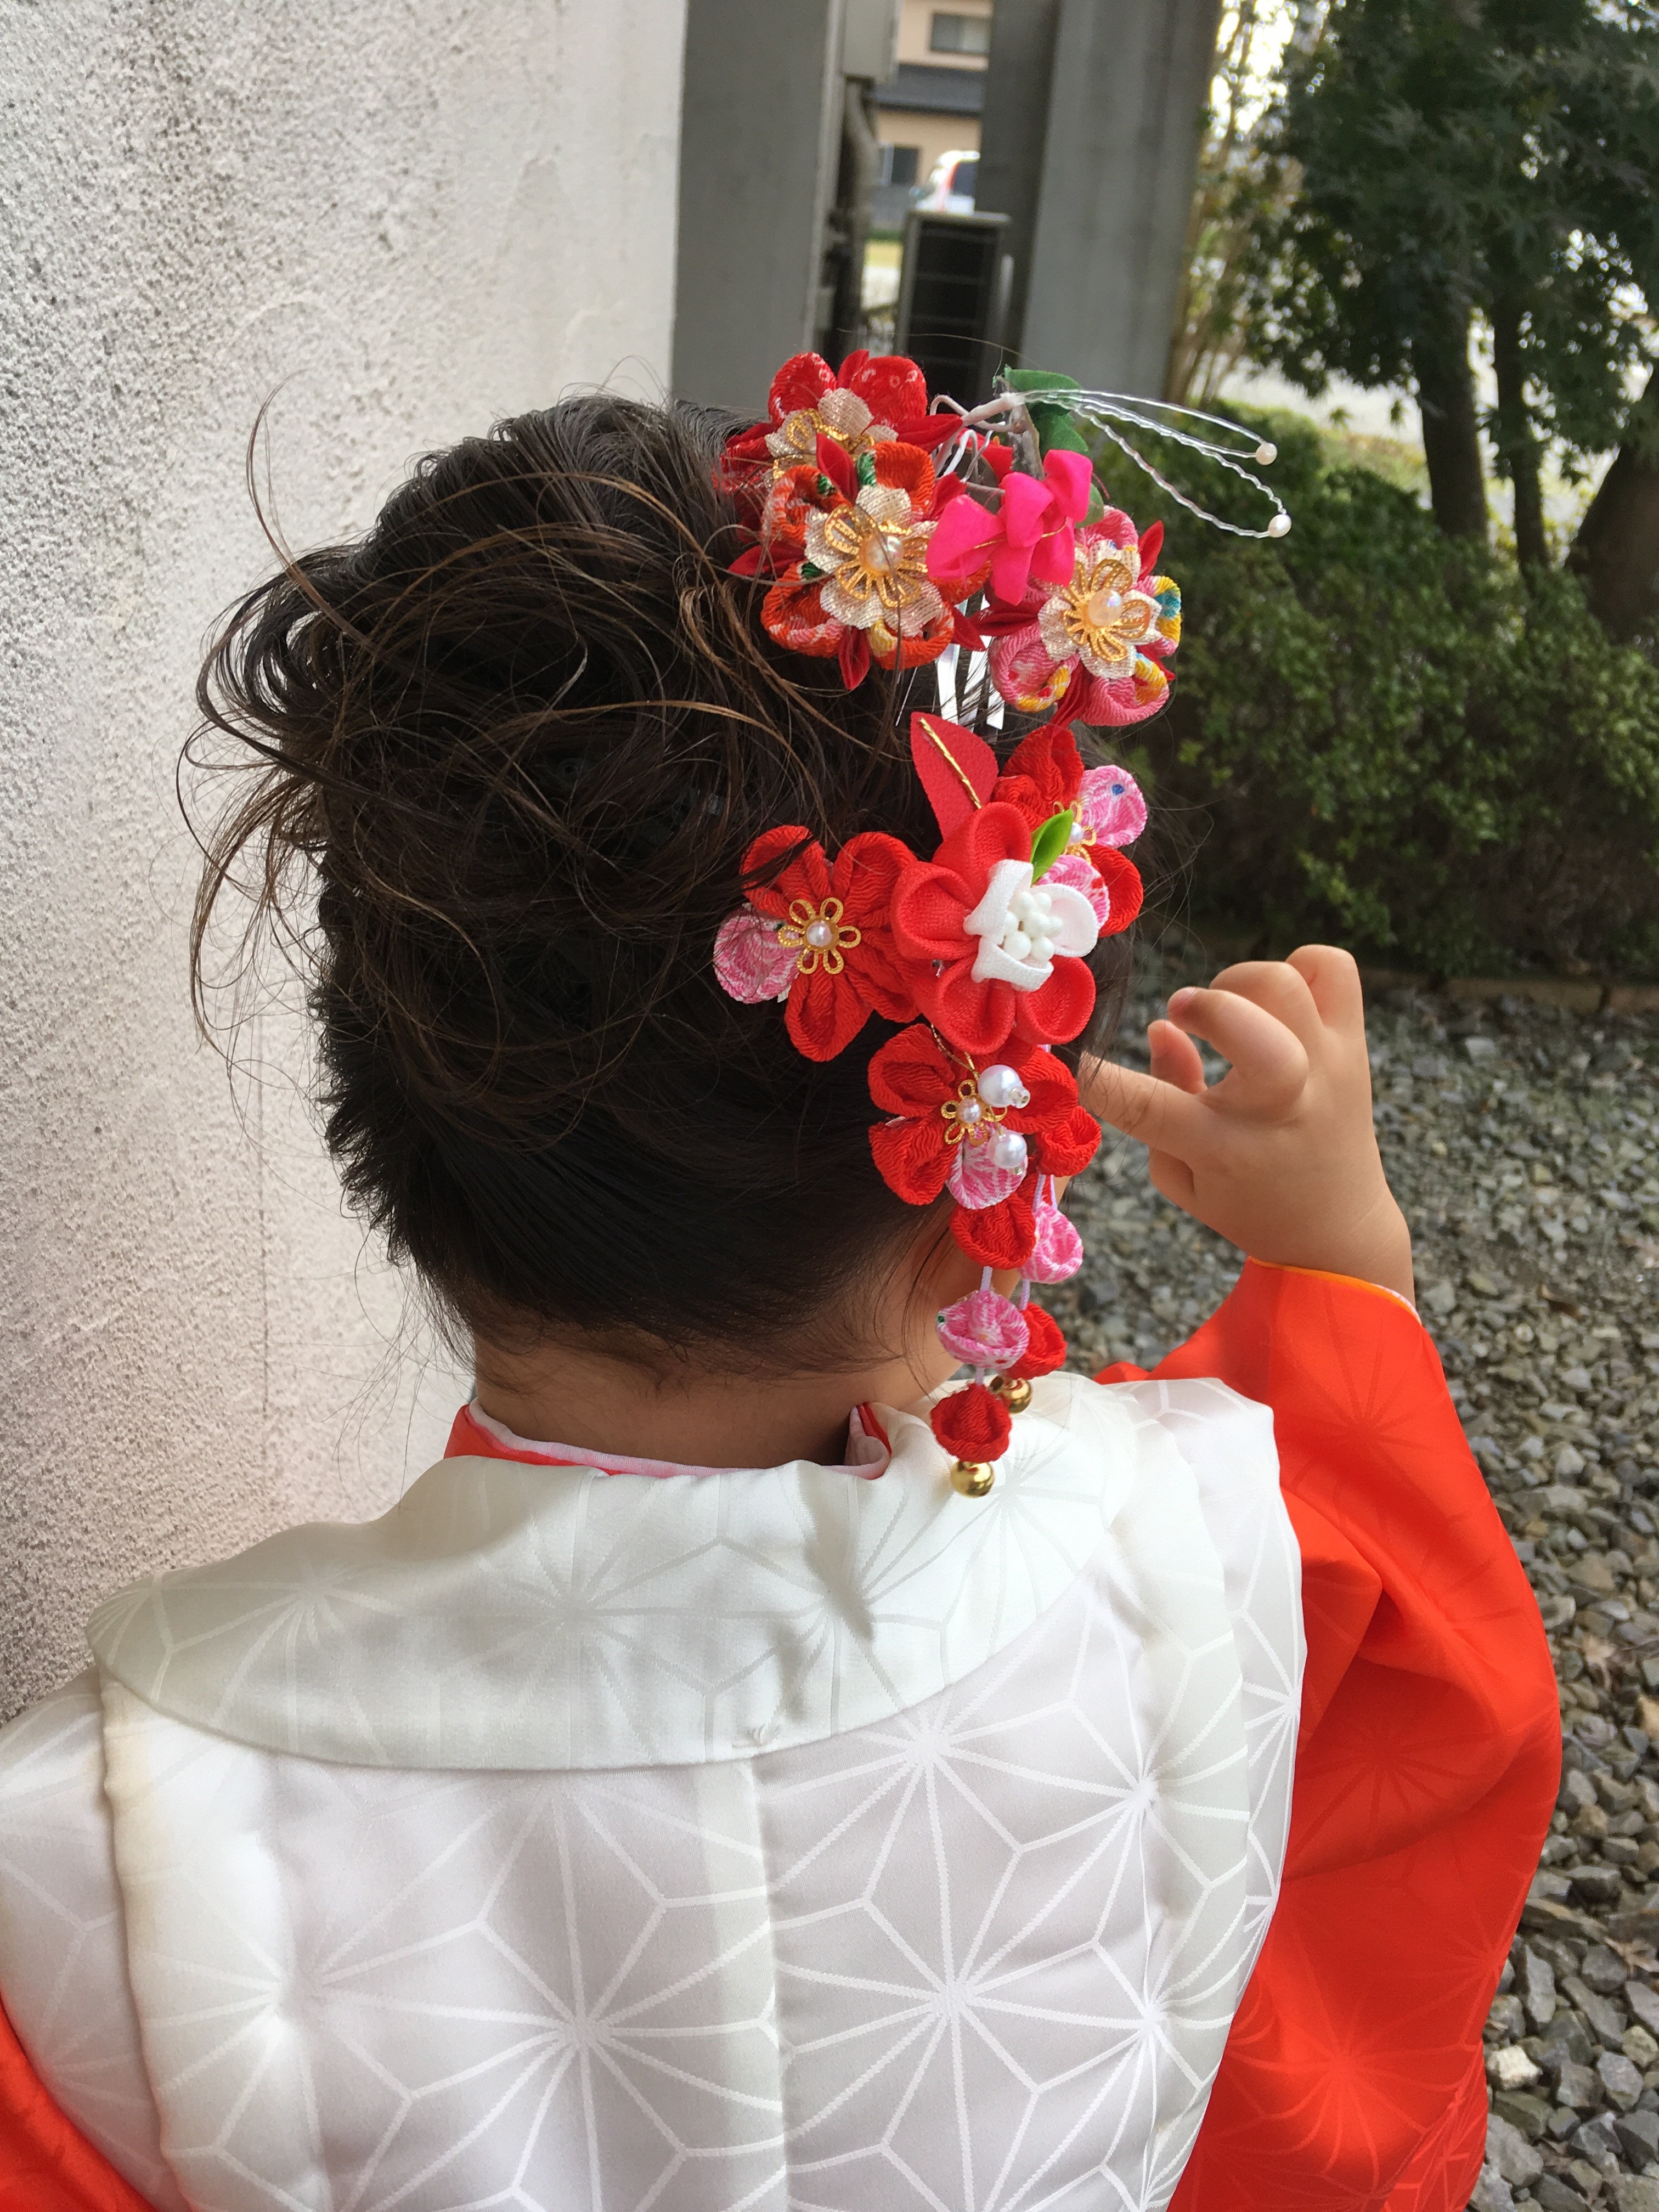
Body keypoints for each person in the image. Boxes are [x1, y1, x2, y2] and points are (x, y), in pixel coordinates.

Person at [0, 356, 1557, 2212]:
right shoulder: (1197, 1558)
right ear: (974, 1173)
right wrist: (1334, 1261)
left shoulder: (109, 1878)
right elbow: (1420, 1671)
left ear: (394, 1132)